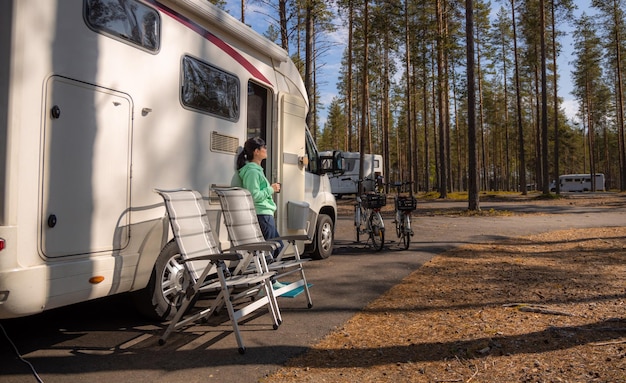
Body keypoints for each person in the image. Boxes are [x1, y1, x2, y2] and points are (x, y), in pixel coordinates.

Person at [236, 137, 283, 258]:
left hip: (265, 215)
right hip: (262, 214)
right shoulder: (252, 172)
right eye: (264, 147)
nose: (266, 150)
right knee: (272, 250)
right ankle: (269, 277)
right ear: (256, 151)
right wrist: (271, 189)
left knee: (276, 249)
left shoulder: (256, 170)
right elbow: (254, 195)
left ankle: (271, 277)